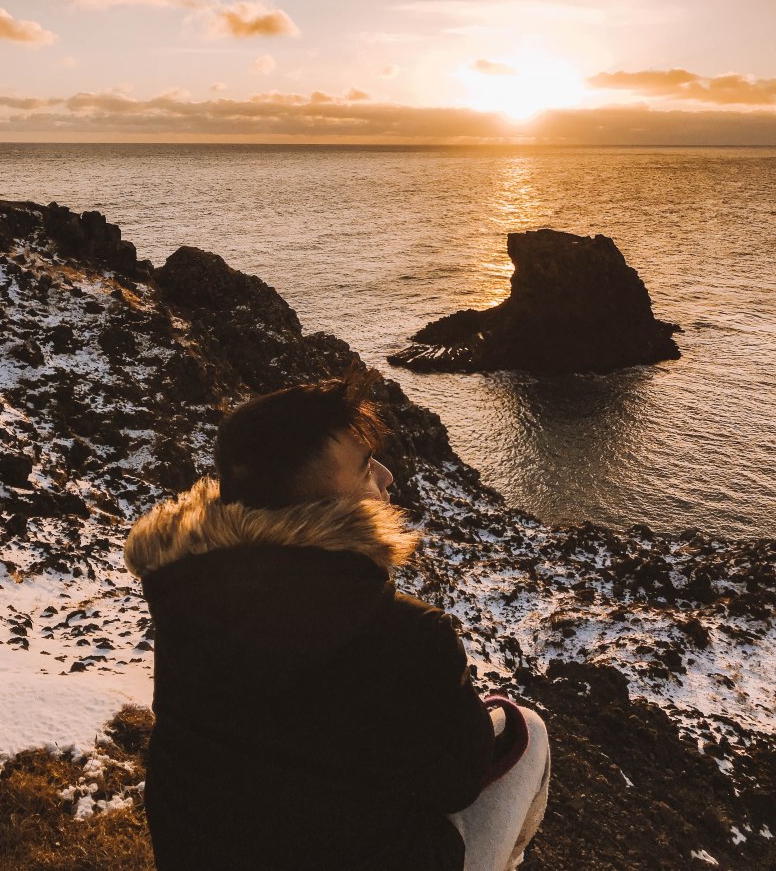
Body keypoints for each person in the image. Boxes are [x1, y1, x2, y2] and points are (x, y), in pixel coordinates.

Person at [124, 367, 550, 871]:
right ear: (322, 505)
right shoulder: (409, 631)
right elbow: (456, 783)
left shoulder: (186, 594)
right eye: (366, 467)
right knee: (528, 730)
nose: (387, 477)